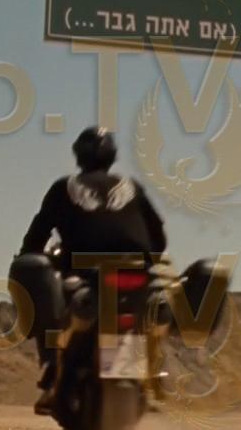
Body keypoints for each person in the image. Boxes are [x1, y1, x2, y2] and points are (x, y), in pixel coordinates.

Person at [10, 126, 167, 414]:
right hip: (134, 273)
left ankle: (52, 371)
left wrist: (28, 254)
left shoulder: (66, 187)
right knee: (145, 313)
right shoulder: (132, 187)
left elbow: (38, 233)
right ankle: (149, 378)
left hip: (83, 274)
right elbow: (158, 236)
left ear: (78, 155)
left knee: (50, 305)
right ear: (112, 156)